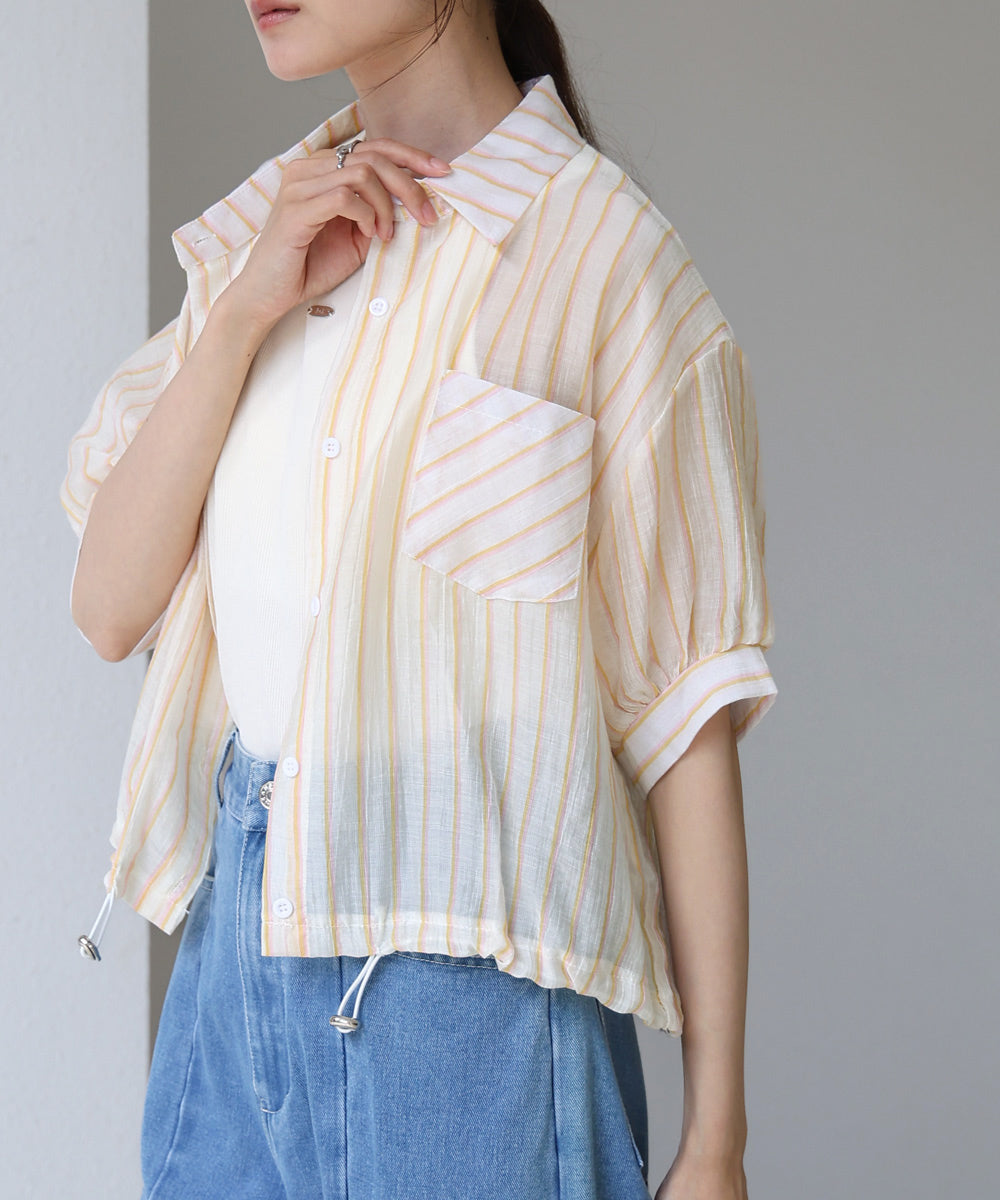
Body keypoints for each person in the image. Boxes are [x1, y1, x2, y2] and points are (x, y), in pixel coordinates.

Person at [60, 2, 777, 1197]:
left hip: (468, 1003)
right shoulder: (268, 236)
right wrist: (240, 314)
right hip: (233, 963)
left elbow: (685, 718)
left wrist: (717, 1141)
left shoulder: (605, 261)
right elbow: (108, 609)